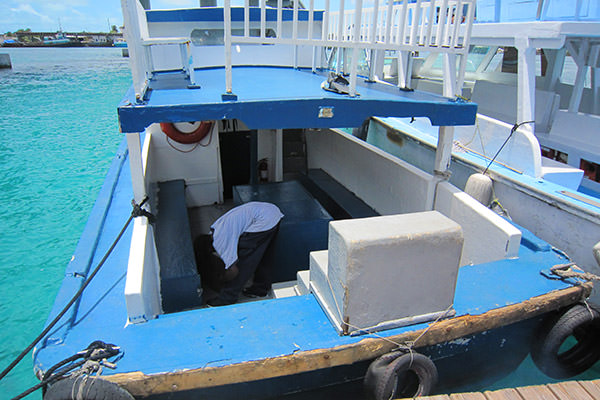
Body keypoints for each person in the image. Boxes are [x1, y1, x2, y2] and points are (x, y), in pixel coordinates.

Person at [205, 201, 283, 306]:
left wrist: (222, 279)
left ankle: (227, 298)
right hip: (272, 213)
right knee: (264, 256)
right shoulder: (216, 228)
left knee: (245, 259)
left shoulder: (220, 242)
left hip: (263, 219)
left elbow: (234, 270)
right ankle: (260, 289)